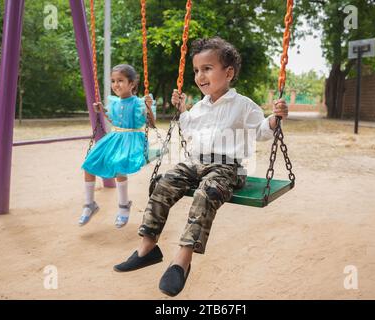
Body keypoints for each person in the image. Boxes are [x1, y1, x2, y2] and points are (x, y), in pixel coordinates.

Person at [113, 37, 288, 296]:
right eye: (196, 70)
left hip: (228, 168)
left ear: (228, 73)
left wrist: (274, 119)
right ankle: (147, 248)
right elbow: (188, 126)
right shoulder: (201, 106)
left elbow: (261, 131)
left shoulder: (243, 105)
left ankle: (181, 260)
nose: (199, 75)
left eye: (207, 68)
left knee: (206, 193)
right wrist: (182, 109)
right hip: (196, 163)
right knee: (164, 182)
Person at [79, 64, 155, 228]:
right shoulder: (113, 102)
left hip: (132, 138)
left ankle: (123, 205)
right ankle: (89, 204)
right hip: (115, 137)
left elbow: (152, 124)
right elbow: (115, 121)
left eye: (120, 80)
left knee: (119, 163)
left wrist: (148, 108)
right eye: (113, 81)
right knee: (89, 164)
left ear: (132, 83)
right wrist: (103, 111)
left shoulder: (139, 103)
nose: (116, 85)